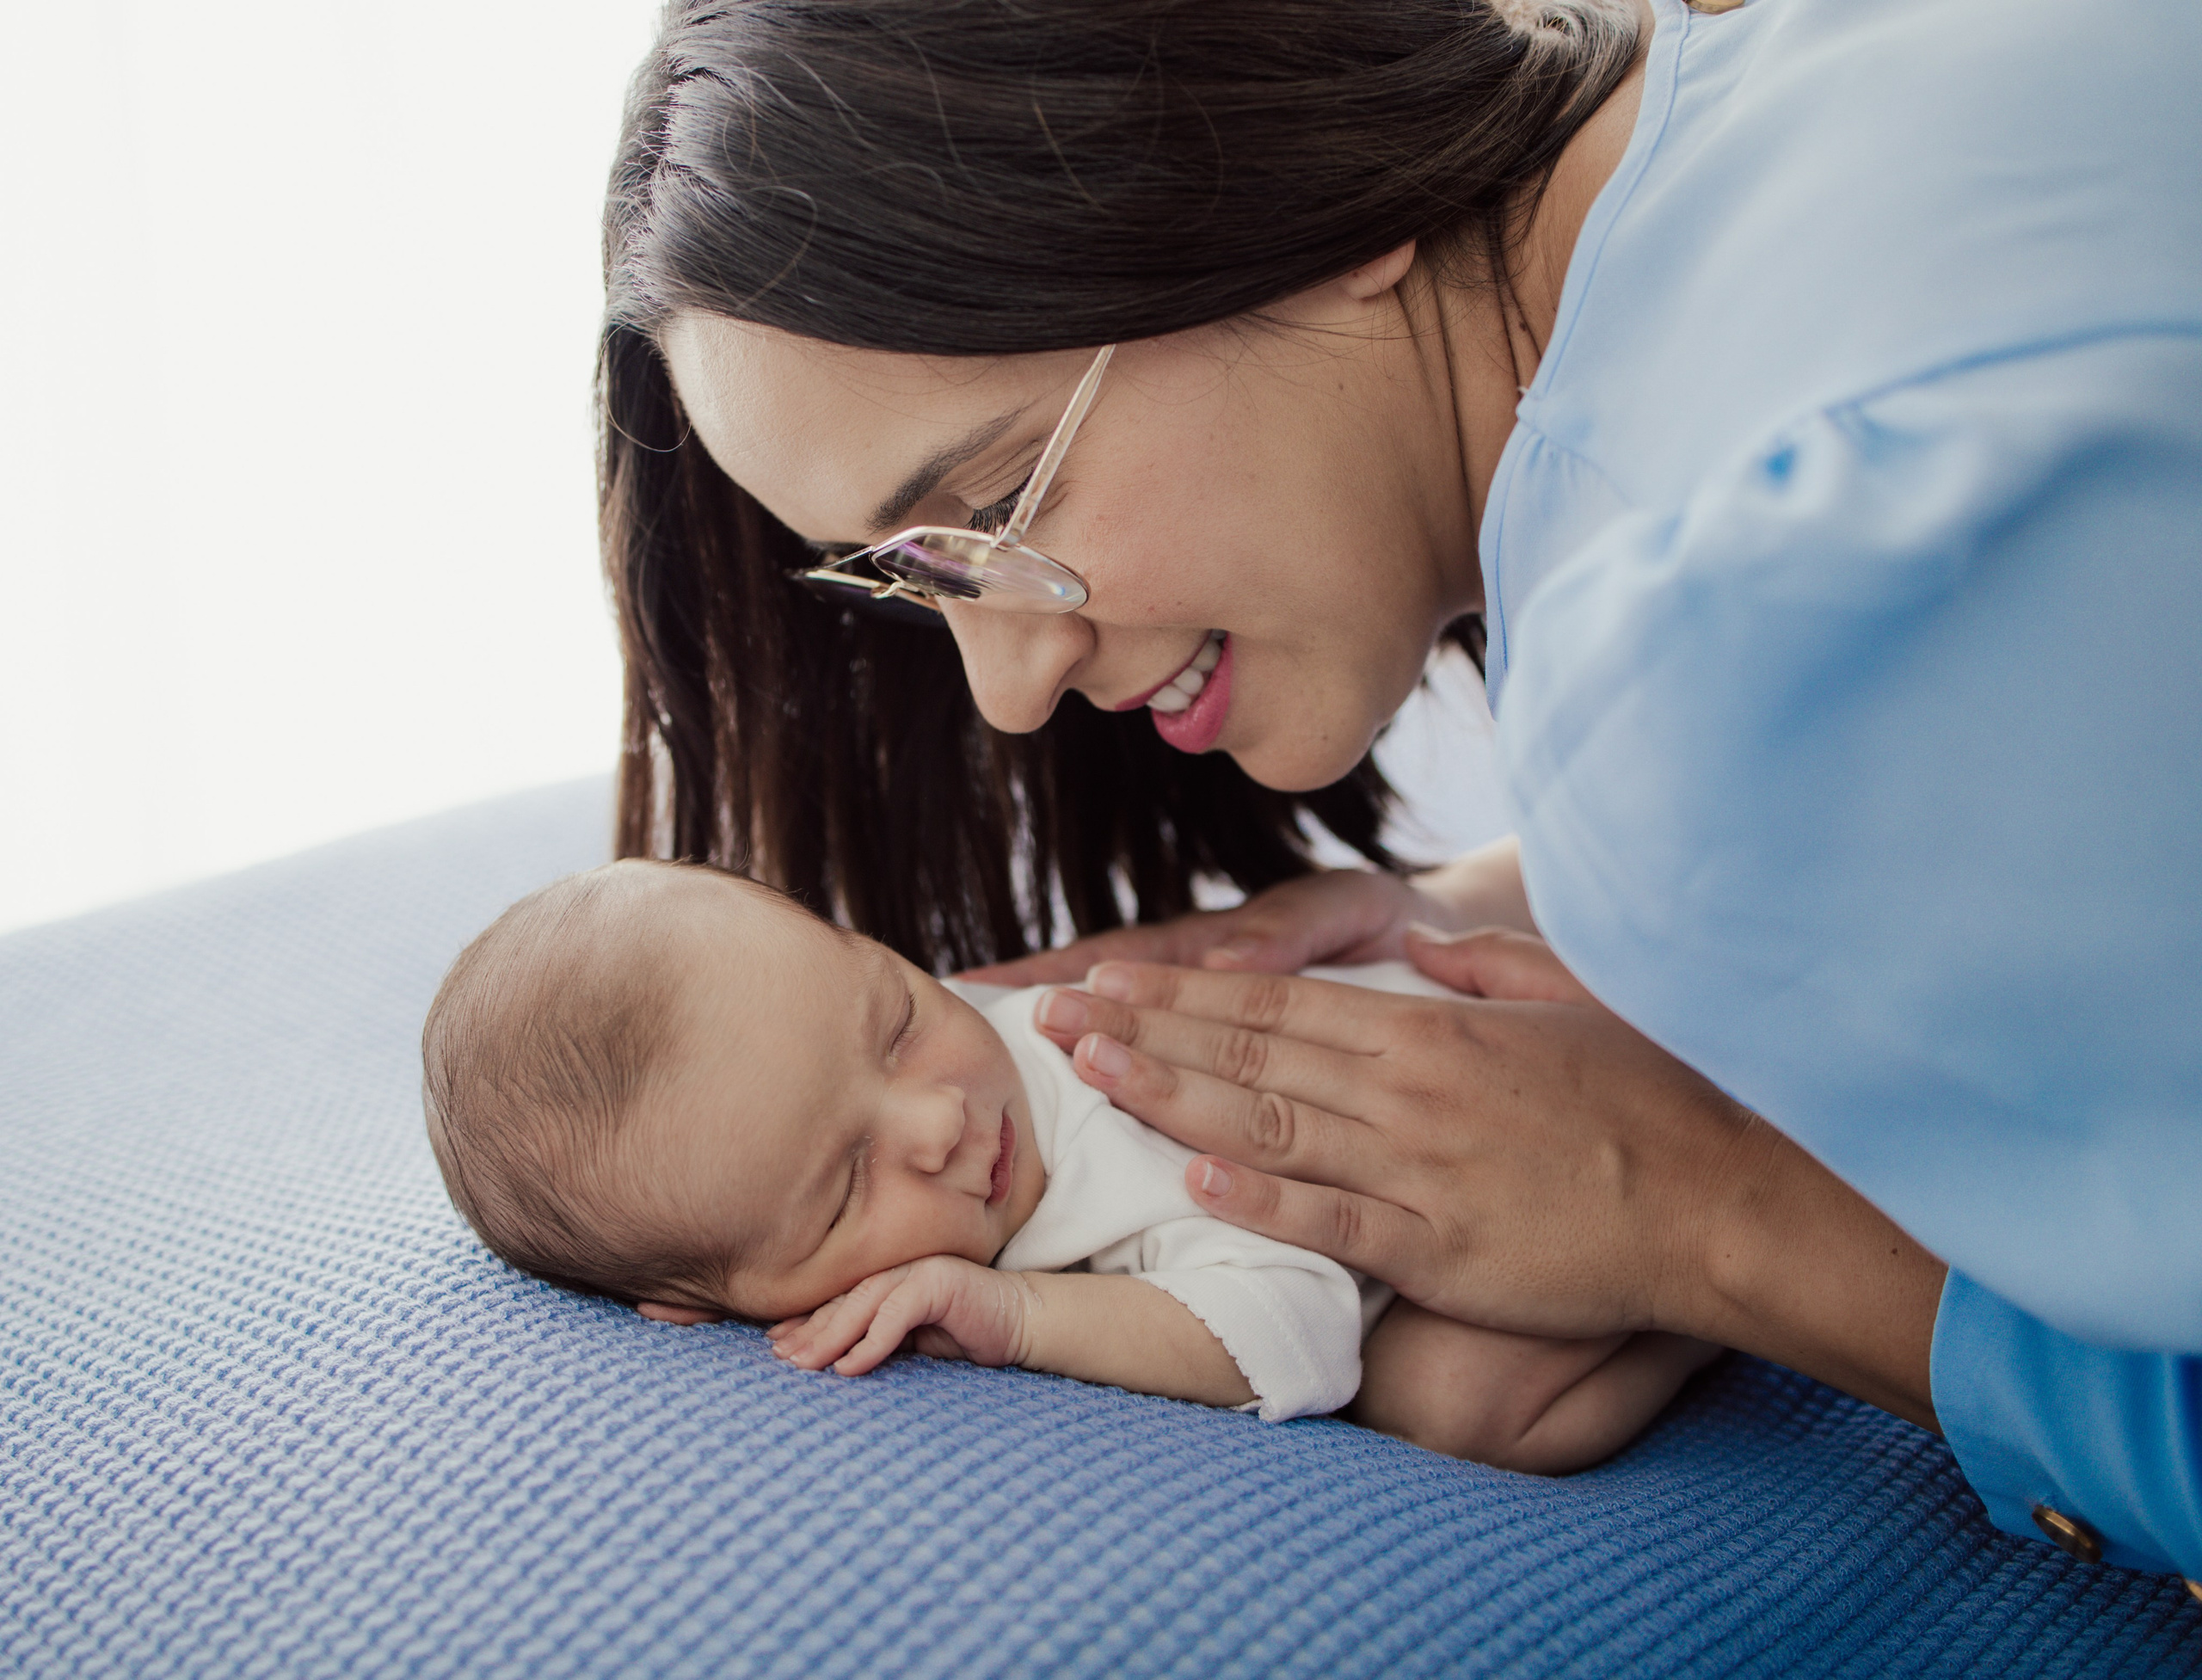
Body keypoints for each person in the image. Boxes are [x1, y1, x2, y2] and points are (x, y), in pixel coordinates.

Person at [594, 0, 2201, 1579]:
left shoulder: (1677, 694)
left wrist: (1704, 1210)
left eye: (999, 502)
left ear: (1291, 172)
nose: (1008, 690)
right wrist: (1469, 906)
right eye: (915, 583)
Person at [421, 859, 1716, 1469]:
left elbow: (1307, 1341)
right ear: (704, 1306)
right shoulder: (911, 1094)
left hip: (1541, 1112)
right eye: (844, 1187)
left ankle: (1717, 1289)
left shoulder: (1112, 1127)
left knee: (1449, 1408)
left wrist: (1025, 1312)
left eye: (892, 1012)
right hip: (1496, 1098)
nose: (934, 1118)